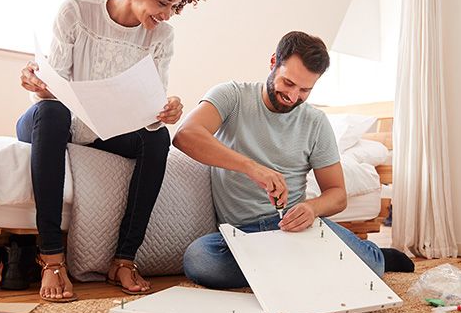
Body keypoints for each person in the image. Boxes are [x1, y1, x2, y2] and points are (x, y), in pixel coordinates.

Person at [17, 0, 209, 302]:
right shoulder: (76, 11)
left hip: (107, 129)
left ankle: (124, 258)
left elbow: (152, 105)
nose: (166, 15)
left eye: (174, 7)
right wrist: (37, 83)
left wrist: (168, 109)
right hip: (53, 119)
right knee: (51, 111)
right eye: (161, 3)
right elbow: (54, 86)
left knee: (158, 139)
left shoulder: (162, 37)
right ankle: (50, 257)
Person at [173, 31, 414, 289]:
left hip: (295, 229)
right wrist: (252, 168)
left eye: (305, 90)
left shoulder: (315, 122)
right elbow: (185, 136)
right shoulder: (232, 96)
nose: (293, 96)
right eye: (288, 83)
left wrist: (312, 209)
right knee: (200, 260)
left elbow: (337, 194)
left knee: (373, 267)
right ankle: (306, 267)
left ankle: (370, 254)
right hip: (241, 234)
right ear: (273, 61)